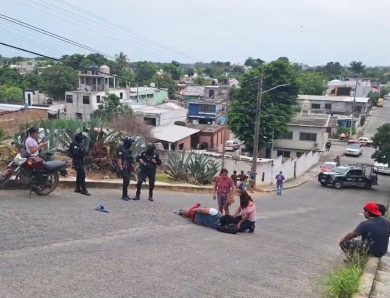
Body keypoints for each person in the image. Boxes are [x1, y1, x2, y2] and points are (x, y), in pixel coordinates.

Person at [116, 137, 135, 201]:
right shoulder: (120, 149)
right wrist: (121, 168)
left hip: (128, 167)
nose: (131, 144)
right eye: (130, 142)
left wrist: (133, 167)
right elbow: (119, 159)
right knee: (126, 179)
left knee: (127, 180)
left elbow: (130, 159)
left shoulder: (129, 150)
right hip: (122, 167)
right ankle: (124, 195)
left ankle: (126, 194)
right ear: (127, 142)